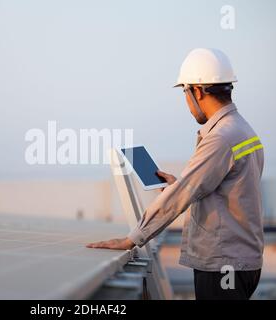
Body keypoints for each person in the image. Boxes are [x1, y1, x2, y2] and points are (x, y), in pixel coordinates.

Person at [86, 48, 264, 300]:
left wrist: (131, 239)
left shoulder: (221, 138)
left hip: (224, 265)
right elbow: (226, 190)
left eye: (185, 92)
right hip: (241, 261)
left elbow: (182, 196)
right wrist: (179, 184)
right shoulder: (243, 130)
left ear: (197, 91)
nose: (186, 102)